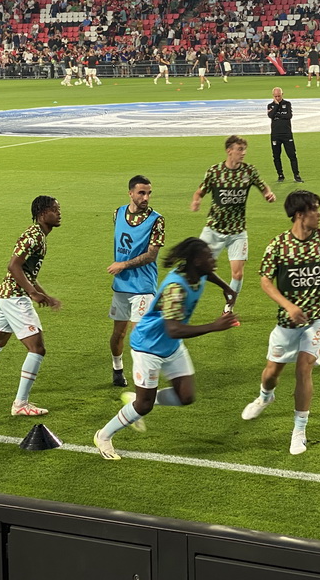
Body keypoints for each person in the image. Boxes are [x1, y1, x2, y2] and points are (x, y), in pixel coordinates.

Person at [93, 237, 238, 460]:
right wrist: (214, 326)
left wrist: (225, 287)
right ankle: (103, 435)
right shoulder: (175, 289)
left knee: (186, 396)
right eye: (208, 256)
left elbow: (207, 273)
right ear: (196, 261)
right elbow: (174, 329)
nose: (213, 259)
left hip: (170, 346)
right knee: (143, 406)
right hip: (148, 347)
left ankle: (138, 398)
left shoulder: (194, 272)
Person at [241, 190, 320, 455]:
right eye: (315, 209)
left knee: (304, 367)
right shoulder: (278, 245)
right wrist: (288, 306)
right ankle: (264, 397)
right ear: (300, 215)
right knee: (272, 373)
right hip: (287, 322)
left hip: (319, 318)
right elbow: (265, 280)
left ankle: (299, 430)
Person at [0, 196, 62, 416]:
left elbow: (27, 272)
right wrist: (31, 293)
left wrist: (43, 295)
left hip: (5, 296)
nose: (59, 213)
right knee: (37, 348)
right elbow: (13, 266)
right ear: (42, 213)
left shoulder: (38, 235)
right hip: (15, 297)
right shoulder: (33, 236)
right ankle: (20, 404)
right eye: (55, 210)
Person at [191, 136, 276, 304]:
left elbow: (263, 185)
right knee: (196, 267)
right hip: (214, 229)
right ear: (229, 150)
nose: (243, 153)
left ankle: (228, 309)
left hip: (237, 231)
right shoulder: (215, 172)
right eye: (239, 149)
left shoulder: (249, 171)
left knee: (238, 273)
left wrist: (268, 193)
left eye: (244, 150)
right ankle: (186, 301)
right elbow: (200, 191)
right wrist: (196, 201)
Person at [107, 175, 166, 387]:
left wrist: (122, 264)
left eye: (149, 193)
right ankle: (117, 369)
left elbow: (151, 255)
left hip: (143, 286)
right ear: (130, 193)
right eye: (141, 193)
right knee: (118, 334)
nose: (146, 197)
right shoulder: (118, 213)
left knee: (139, 334)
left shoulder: (157, 220)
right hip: (121, 285)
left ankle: (142, 382)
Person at [267, 87, 302, 184]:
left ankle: (296, 175)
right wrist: (277, 106)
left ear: (282, 94)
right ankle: (280, 175)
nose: (277, 98)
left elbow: (289, 116)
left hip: (287, 134)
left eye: (279, 96)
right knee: (276, 156)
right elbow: (270, 116)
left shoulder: (287, 104)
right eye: (276, 96)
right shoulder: (270, 105)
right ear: (273, 96)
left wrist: (278, 115)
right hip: (275, 134)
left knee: (292, 155)